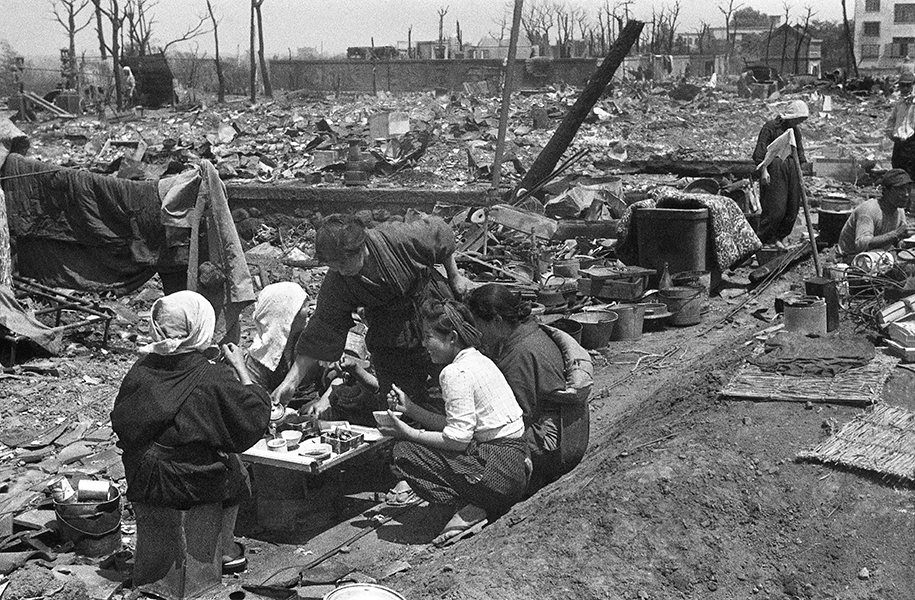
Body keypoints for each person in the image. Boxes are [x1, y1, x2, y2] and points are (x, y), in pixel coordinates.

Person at [111, 291, 270, 580]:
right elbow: (253, 417)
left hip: (141, 475)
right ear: (199, 328)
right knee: (237, 469)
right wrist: (240, 368)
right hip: (185, 482)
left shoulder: (140, 370)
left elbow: (122, 422)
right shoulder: (211, 377)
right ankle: (225, 551)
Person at [272, 214, 473, 417]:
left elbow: (441, 234)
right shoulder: (338, 282)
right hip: (389, 331)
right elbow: (323, 327)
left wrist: (455, 275)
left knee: (452, 383)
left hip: (429, 308)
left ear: (360, 248)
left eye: (343, 264)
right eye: (334, 267)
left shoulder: (398, 238)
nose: (340, 271)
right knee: (396, 401)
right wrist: (290, 382)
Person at [378, 299, 529, 546]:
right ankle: (476, 501)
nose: (424, 344)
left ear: (452, 338)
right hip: (516, 466)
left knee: (404, 451)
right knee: (423, 443)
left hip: (497, 472)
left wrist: (406, 432)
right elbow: (459, 428)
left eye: (428, 336)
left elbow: (457, 440)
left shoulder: (454, 373)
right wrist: (411, 409)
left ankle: (471, 505)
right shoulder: (477, 359)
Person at [465, 283, 578, 490]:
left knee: (475, 441)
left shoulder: (519, 354)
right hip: (570, 430)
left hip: (554, 444)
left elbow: (518, 416)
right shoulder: (530, 332)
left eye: (479, 325)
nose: (478, 332)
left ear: (497, 321)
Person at [752, 99, 810, 247]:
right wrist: (764, 171)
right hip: (774, 170)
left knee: (792, 210)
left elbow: (800, 154)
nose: (798, 122)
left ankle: (779, 237)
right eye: (797, 119)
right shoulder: (770, 127)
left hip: (792, 170)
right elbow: (760, 154)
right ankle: (763, 240)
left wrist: (801, 174)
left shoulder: (795, 131)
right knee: (775, 209)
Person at [837, 169, 915, 257]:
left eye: (908, 189)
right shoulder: (869, 210)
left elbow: (897, 242)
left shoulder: (899, 211)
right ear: (885, 190)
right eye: (900, 189)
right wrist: (897, 233)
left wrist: (906, 241)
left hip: (876, 256)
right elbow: (861, 245)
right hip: (850, 258)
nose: (906, 194)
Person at [885, 72, 915, 181]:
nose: (905, 88)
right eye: (903, 85)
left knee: (911, 174)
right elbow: (891, 120)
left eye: (908, 85)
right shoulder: (899, 104)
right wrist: (891, 134)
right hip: (899, 143)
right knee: (898, 171)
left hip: (912, 143)